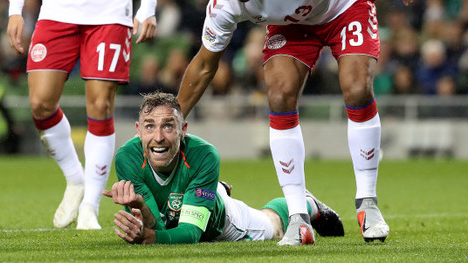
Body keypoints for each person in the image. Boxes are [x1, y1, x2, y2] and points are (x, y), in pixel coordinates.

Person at [176, 0, 413, 245]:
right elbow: (203, 65)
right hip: (294, 24)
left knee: (356, 89)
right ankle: (298, 217)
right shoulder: (225, 1)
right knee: (279, 94)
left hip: (345, 4)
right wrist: (174, 118)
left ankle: (367, 204)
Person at [6, 0, 161, 230]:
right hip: (57, 10)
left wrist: (146, 6)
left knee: (99, 106)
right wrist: (15, 9)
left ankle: (90, 203)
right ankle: (75, 179)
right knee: (40, 104)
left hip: (110, 11)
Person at [103, 92, 344, 244]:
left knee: (273, 227)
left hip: (219, 222)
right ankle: (212, 187)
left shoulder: (204, 154)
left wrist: (150, 238)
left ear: (183, 129)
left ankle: (306, 202)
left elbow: (190, 234)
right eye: (149, 127)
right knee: (170, 224)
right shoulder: (127, 157)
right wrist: (142, 209)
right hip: (178, 207)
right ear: (138, 129)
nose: (158, 137)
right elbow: (157, 224)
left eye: (168, 127)